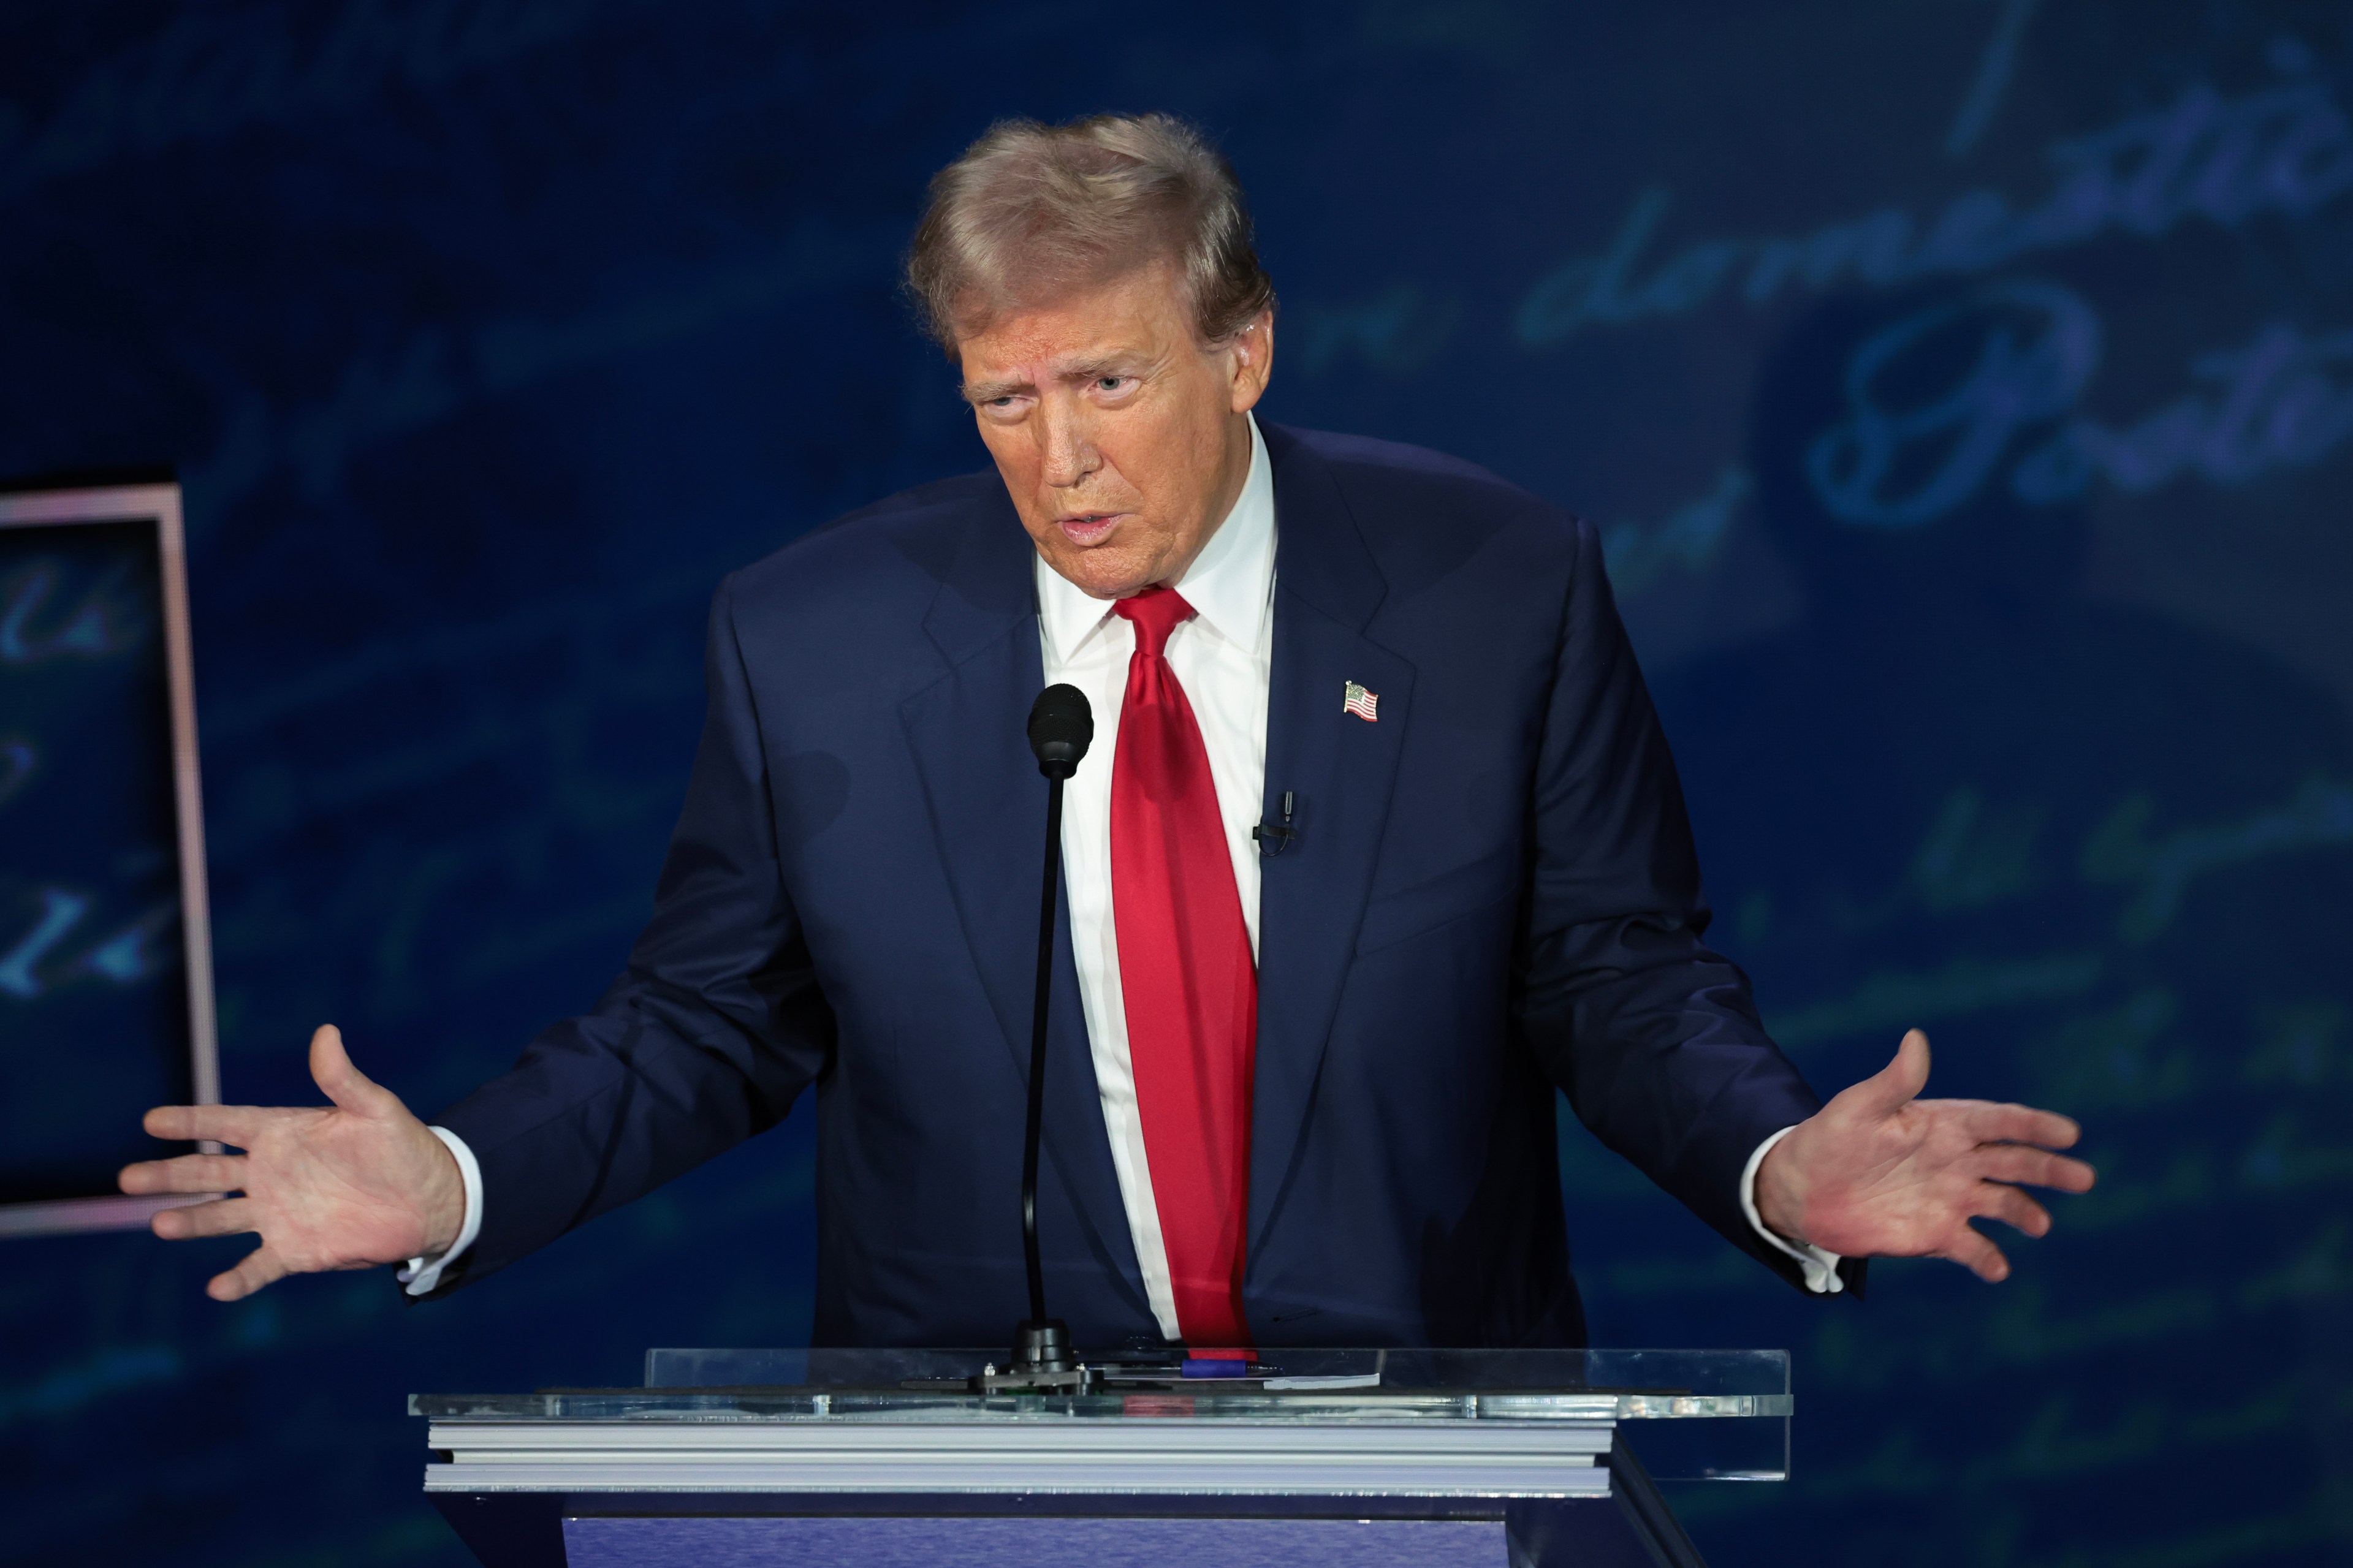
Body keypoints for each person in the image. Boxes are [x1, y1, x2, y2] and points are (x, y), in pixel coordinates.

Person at [120, 114, 2093, 1349]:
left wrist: (1771, 1165)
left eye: (1110, 382)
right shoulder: (812, 641)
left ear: (1244, 349)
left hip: (1406, 1447)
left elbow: (1613, 977)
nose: (1057, 463)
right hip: (979, 1468)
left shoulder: (1496, 582)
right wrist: (457, 1179)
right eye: (1001, 400)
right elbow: (709, 1019)